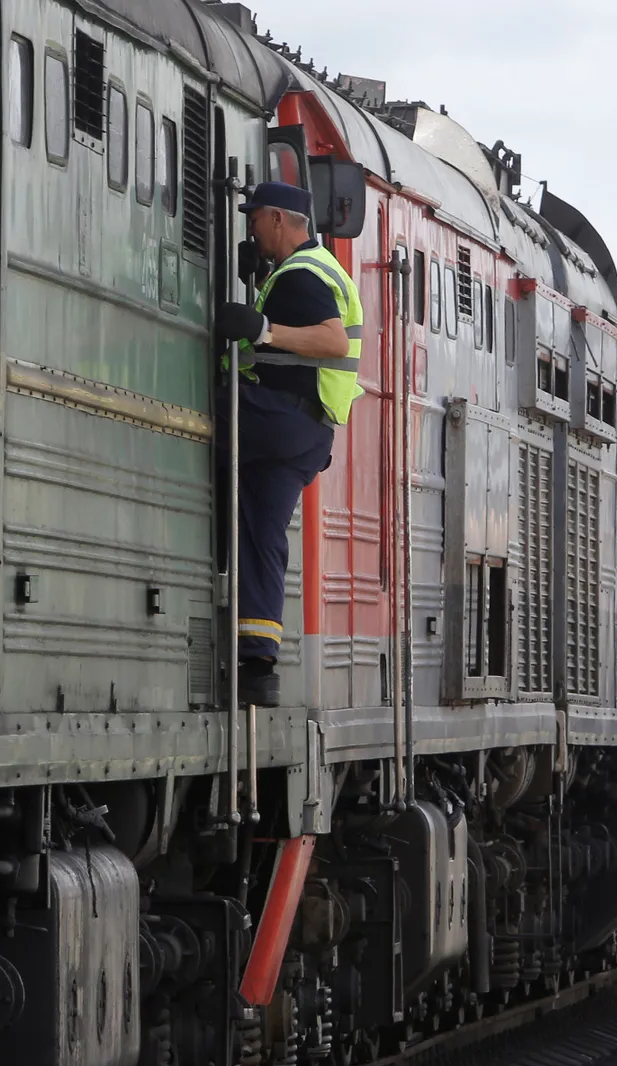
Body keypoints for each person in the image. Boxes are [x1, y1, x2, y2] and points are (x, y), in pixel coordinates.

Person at [215, 181, 364, 707]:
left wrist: (262, 329)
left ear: (278, 219)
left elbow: (332, 339)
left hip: (282, 418)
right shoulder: (313, 267)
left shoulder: (303, 273)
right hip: (306, 431)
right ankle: (258, 663)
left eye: (255, 217)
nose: (251, 227)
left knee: (195, 411)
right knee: (263, 534)